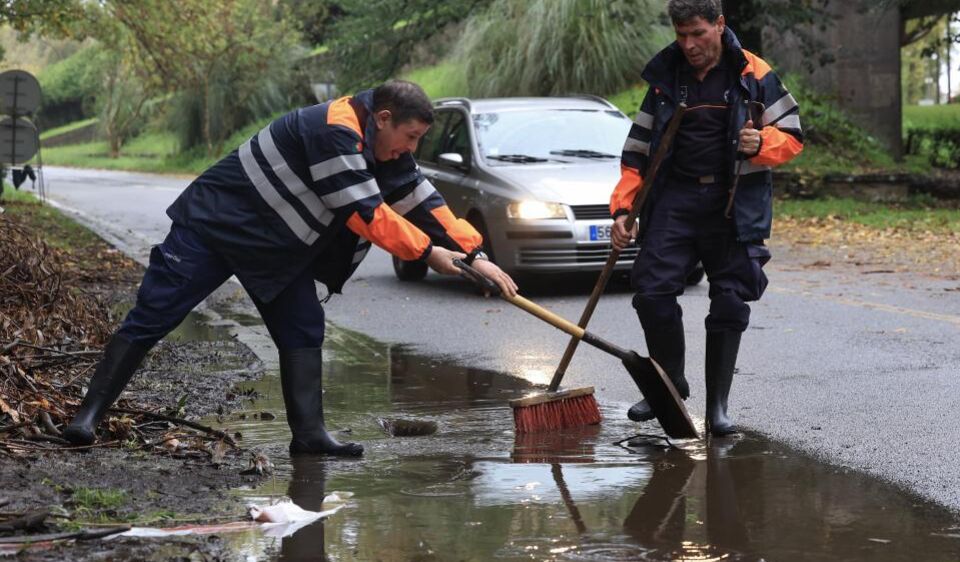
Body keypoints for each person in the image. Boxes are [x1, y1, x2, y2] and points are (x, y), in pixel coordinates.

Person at [63, 80, 518, 456]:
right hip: (217, 225)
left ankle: (309, 436)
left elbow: (422, 199)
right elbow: (366, 212)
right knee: (155, 312)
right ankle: (88, 416)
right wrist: (429, 254)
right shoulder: (334, 130)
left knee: (303, 327)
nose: (411, 149)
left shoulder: (385, 148)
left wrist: (473, 251)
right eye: (411, 137)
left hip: (276, 247)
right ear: (383, 119)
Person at [610, 0, 802, 436]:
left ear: (719, 25)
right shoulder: (665, 78)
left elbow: (792, 135)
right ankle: (668, 383)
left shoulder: (753, 73)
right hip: (674, 198)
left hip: (733, 201)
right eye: (681, 35)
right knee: (651, 291)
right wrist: (623, 210)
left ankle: (718, 406)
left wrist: (760, 143)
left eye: (697, 33)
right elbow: (637, 153)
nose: (689, 44)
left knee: (731, 299)